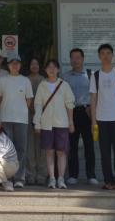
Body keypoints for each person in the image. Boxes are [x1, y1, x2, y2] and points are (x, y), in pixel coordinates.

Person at [89, 43, 115, 191]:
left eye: (108, 53)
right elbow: (93, 99)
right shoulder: (95, 76)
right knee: (104, 152)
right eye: (103, 53)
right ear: (99, 56)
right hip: (101, 120)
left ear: (112, 55)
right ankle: (108, 181)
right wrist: (93, 121)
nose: (105, 56)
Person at [33, 59, 75, 189]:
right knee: (49, 152)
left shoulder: (64, 85)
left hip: (62, 123)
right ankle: (52, 178)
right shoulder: (42, 85)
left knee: (61, 152)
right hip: (46, 123)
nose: (51, 69)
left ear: (58, 69)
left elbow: (69, 104)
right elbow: (38, 105)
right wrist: (37, 123)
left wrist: (71, 122)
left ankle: (61, 178)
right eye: (49, 67)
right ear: (45, 70)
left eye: (54, 67)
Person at [0, 56, 33, 188]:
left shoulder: (25, 80)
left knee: (21, 149)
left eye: (17, 63)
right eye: (12, 63)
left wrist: (20, 110)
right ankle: (8, 178)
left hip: (21, 119)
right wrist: (7, 109)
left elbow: (29, 100)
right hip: (5, 118)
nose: (15, 65)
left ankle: (19, 178)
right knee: (6, 149)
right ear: (8, 65)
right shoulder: (3, 80)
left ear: (20, 65)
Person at [63, 48, 98, 186]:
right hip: (71, 113)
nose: (75, 60)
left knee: (89, 145)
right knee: (72, 145)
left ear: (83, 59)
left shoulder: (91, 75)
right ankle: (73, 175)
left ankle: (91, 175)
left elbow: (97, 95)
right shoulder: (65, 77)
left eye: (78, 57)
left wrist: (93, 110)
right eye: (73, 57)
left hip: (87, 112)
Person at [25, 57, 47, 185]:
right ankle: (30, 174)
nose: (34, 66)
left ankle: (42, 175)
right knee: (30, 145)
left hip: (43, 115)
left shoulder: (44, 80)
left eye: (36, 64)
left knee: (42, 146)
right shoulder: (25, 80)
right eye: (32, 64)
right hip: (27, 115)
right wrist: (31, 108)